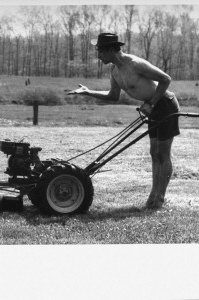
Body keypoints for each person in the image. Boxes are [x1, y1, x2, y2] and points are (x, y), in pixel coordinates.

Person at [67, 33, 180, 210]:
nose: (99, 56)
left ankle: (160, 198)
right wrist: (89, 92)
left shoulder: (135, 64)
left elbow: (166, 79)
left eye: (101, 51)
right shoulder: (115, 71)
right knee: (154, 153)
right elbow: (113, 96)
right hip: (152, 107)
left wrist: (151, 103)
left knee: (162, 153)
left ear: (111, 49)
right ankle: (153, 194)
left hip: (165, 104)